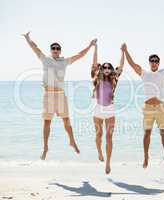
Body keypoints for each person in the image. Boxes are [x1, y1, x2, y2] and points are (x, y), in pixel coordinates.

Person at [22, 31, 96, 160]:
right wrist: (28, 38)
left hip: (61, 95)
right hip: (48, 95)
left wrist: (90, 46)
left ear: (60, 51)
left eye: (57, 48)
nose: (55, 50)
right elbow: (35, 47)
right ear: (51, 50)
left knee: (66, 121)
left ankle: (72, 141)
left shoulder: (64, 61)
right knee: (46, 123)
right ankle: (45, 148)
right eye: (53, 48)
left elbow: (80, 55)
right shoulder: (45, 59)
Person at [121, 42, 164, 169]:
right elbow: (132, 64)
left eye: (156, 61)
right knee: (147, 133)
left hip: (160, 107)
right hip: (148, 108)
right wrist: (125, 51)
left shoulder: (163, 73)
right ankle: (146, 157)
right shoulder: (144, 74)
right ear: (149, 62)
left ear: (158, 63)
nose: (154, 62)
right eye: (152, 60)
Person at [91, 40, 124, 174]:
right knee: (99, 134)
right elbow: (94, 64)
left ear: (111, 70)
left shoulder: (114, 78)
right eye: (104, 67)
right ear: (101, 69)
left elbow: (121, 67)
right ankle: (99, 152)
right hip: (98, 109)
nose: (106, 69)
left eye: (108, 68)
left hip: (110, 110)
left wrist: (123, 52)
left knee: (109, 137)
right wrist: (95, 48)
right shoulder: (96, 78)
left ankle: (108, 163)